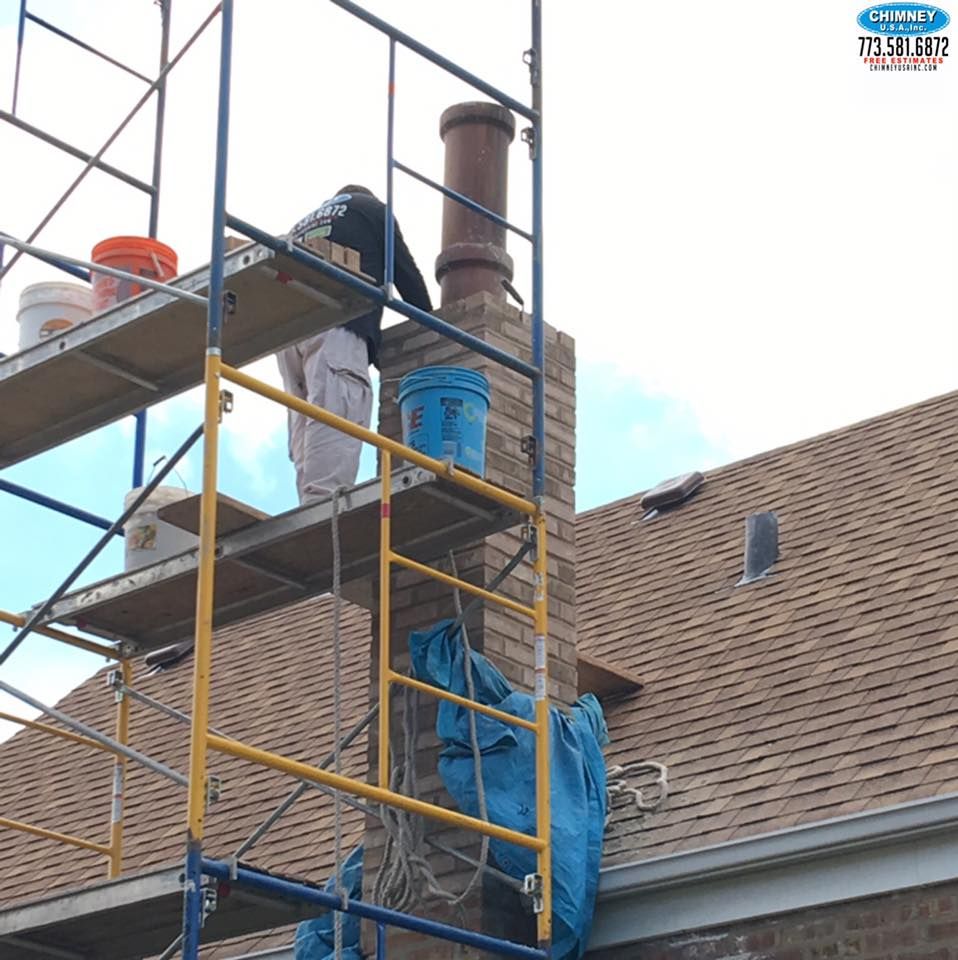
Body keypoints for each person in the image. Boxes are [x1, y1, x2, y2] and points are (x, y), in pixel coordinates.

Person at [277, 185, 433, 504]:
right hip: (335, 319)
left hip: (287, 329)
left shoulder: (307, 221)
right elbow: (407, 278)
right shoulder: (372, 210)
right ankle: (323, 506)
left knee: (304, 412)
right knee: (338, 405)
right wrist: (434, 326)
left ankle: (306, 500)